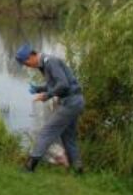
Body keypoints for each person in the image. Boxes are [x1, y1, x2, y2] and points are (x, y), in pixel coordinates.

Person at [15, 43, 85, 175]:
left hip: (70, 102)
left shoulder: (50, 62)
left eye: (26, 63)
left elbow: (63, 85)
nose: (27, 66)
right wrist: (38, 89)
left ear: (31, 56)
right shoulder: (45, 64)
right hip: (74, 101)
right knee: (68, 136)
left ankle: (29, 167)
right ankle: (78, 169)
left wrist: (47, 96)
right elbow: (55, 84)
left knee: (47, 131)